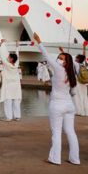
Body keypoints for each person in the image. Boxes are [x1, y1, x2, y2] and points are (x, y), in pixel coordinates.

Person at [34, 32, 80, 165]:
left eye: (61, 58)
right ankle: (75, 159)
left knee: (57, 133)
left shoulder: (59, 69)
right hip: (69, 106)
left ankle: (55, 158)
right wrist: (64, 53)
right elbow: (73, 64)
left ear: (65, 62)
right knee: (71, 132)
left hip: (57, 105)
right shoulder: (72, 74)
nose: (58, 59)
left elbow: (46, 56)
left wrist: (39, 41)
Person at [0, 40, 22, 121]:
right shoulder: (16, 64)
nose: (7, 58)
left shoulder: (7, 64)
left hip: (8, 85)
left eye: (9, 57)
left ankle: (9, 117)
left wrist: (0, 45)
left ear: (11, 59)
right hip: (15, 86)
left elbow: (1, 55)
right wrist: (17, 46)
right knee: (16, 100)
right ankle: (17, 116)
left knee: (8, 100)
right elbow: (17, 56)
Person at [72, 46, 88, 116]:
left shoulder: (76, 64)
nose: (75, 58)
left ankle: (81, 112)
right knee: (85, 96)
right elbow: (84, 56)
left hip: (79, 82)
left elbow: (68, 59)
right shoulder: (84, 64)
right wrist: (84, 48)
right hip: (84, 82)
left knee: (79, 97)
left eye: (76, 57)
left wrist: (62, 51)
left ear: (78, 59)